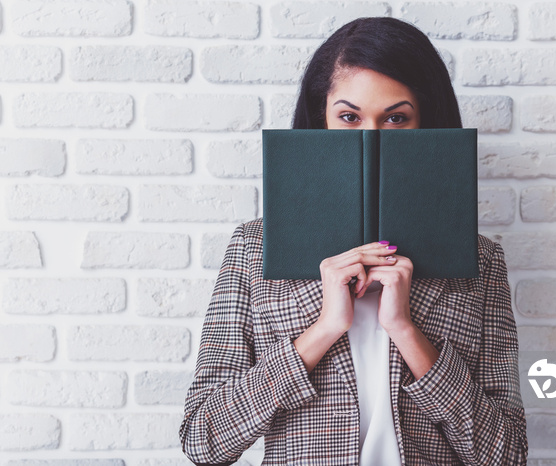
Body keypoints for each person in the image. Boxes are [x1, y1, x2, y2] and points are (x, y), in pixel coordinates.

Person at [180, 17, 527, 465]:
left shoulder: (479, 259)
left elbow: (508, 455)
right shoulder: (255, 248)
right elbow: (203, 441)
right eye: (349, 116)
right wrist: (324, 329)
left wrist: (405, 330)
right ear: (321, 120)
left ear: (427, 124)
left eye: (396, 118)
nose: (371, 138)